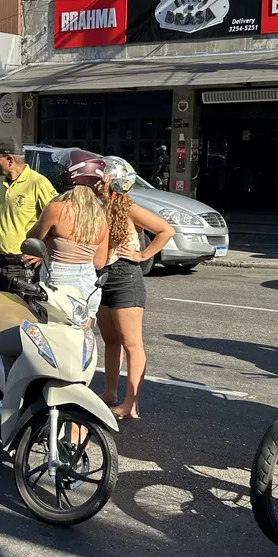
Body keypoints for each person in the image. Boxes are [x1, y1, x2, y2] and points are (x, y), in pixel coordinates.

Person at [97, 156, 175, 420]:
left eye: (102, 177)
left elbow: (166, 230)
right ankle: (110, 393)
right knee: (110, 340)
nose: (97, 182)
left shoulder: (128, 208)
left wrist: (143, 255)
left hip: (125, 277)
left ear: (113, 181)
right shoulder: (101, 205)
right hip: (104, 276)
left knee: (132, 344)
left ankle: (131, 404)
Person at [28, 149, 110, 318]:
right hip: (89, 282)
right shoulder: (101, 215)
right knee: (80, 337)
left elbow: (33, 239)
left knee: (54, 335)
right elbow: (100, 262)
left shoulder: (57, 209)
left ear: (72, 174)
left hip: (58, 277)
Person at [0, 137, 56, 292]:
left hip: (21, 263)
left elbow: (57, 220)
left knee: (19, 312)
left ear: (10, 160)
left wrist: (42, 253)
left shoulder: (38, 183)